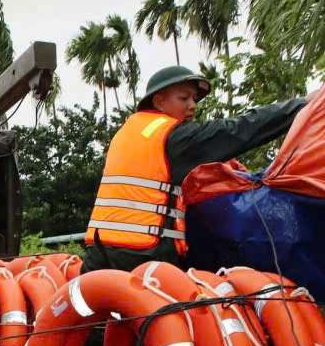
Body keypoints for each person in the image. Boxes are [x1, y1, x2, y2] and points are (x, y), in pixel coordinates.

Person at [84, 65, 306, 272]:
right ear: (159, 101)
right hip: (143, 255)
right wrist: (300, 106)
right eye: (184, 98)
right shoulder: (173, 136)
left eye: (194, 98)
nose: (193, 105)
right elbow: (238, 130)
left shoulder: (127, 133)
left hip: (99, 252)